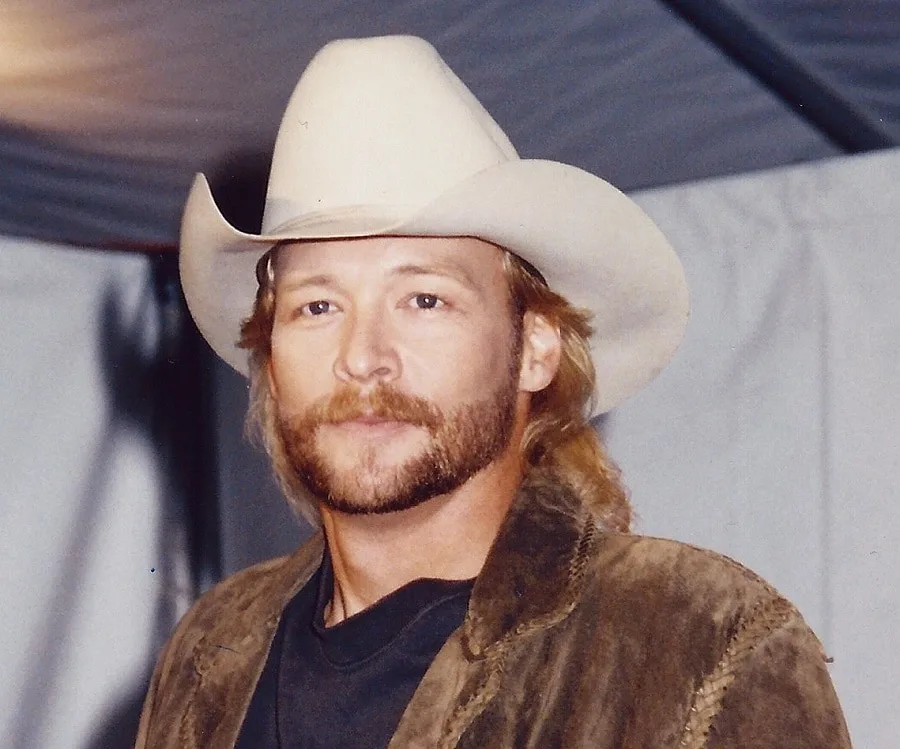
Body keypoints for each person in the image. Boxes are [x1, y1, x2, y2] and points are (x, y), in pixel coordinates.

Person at [134, 35, 851, 749]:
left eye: (423, 299)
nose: (363, 358)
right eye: (317, 307)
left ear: (535, 346)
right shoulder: (210, 649)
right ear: (271, 354)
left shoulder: (698, 638)